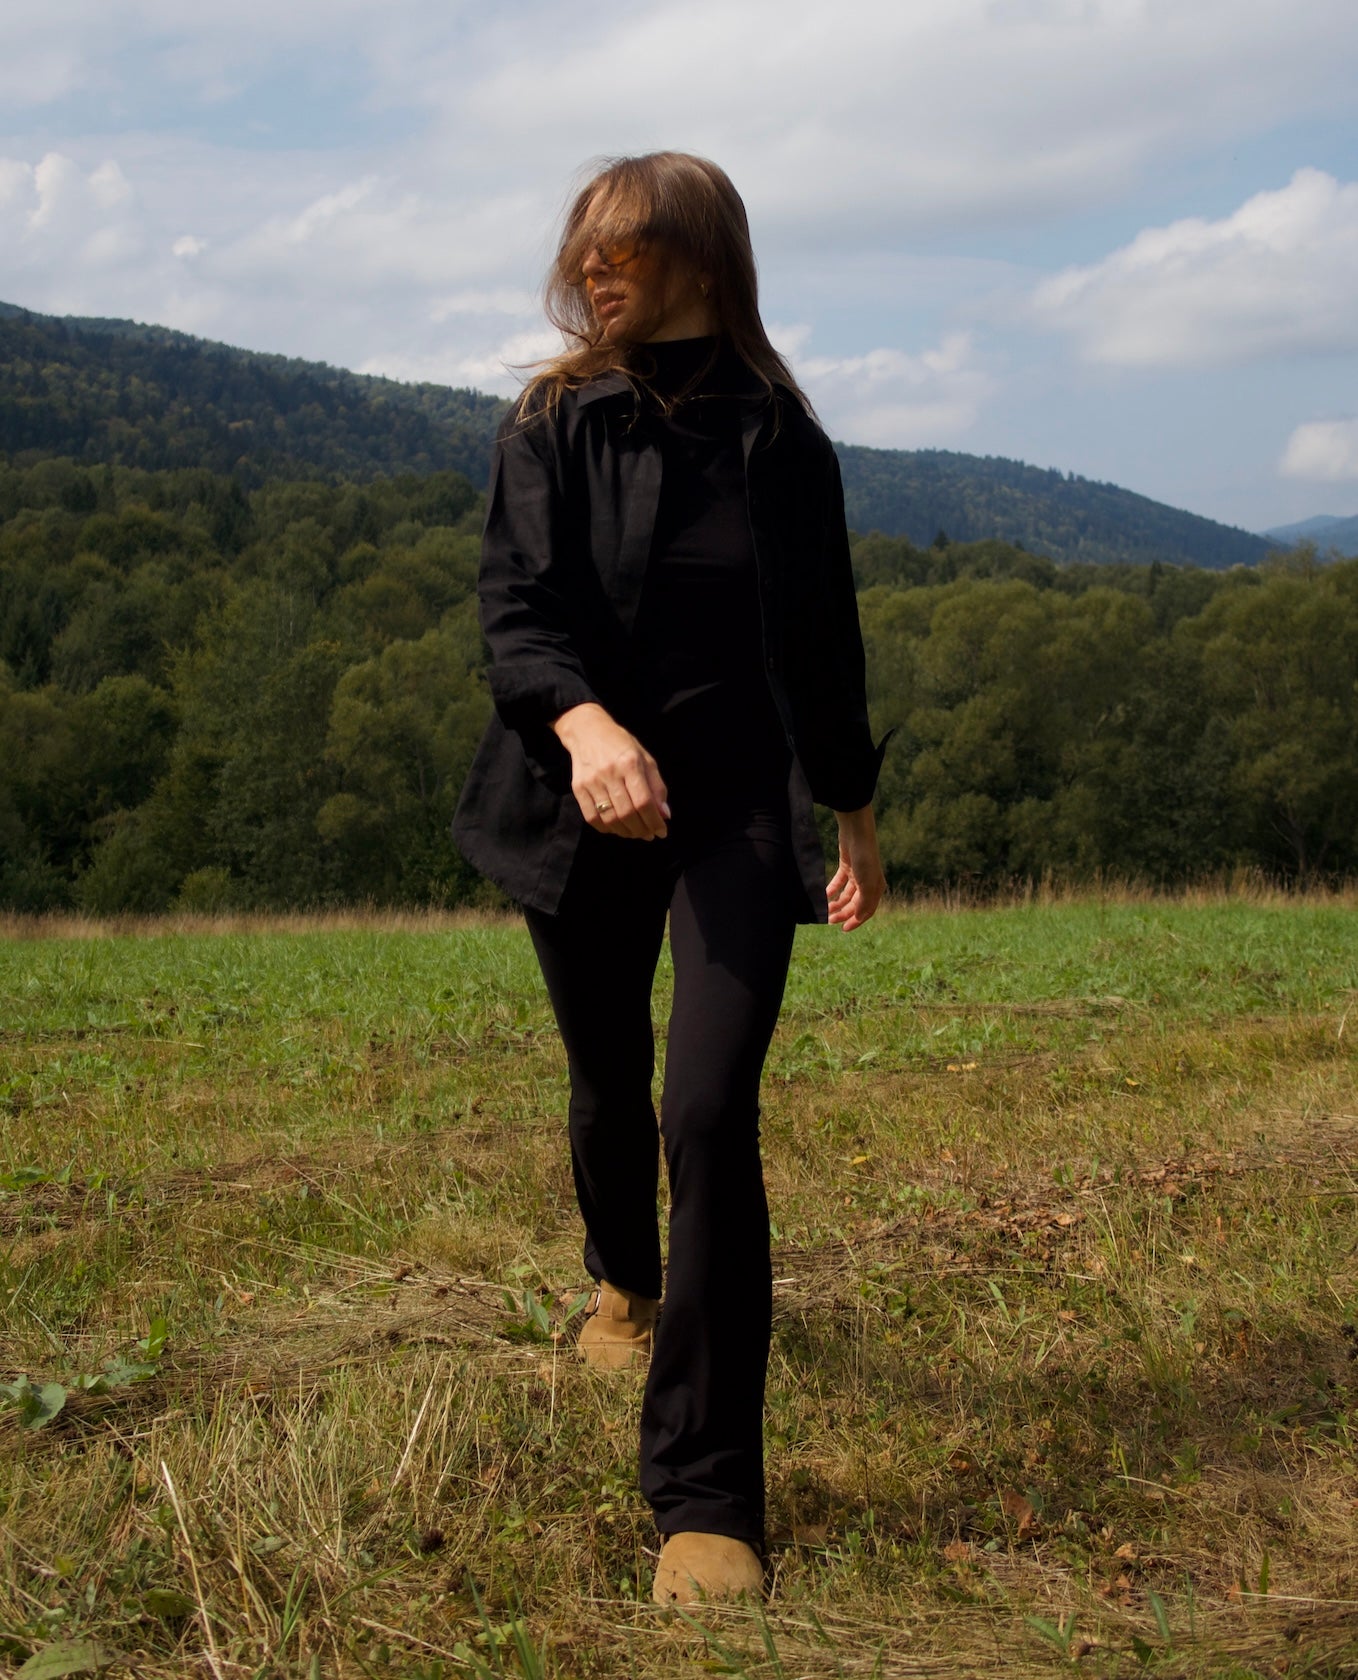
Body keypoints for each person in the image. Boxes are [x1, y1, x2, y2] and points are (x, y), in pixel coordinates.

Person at [452, 151, 888, 1605]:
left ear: (701, 258)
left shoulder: (783, 439)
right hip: (572, 804)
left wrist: (854, 813)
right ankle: (624, 1282)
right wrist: (584, 727)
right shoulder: (551, 421)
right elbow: (514, 610)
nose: (594, 268)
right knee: (605, 1080)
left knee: (705, 1109)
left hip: (733, 816)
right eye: (584, 247)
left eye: (624, 247)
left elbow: (823, 645)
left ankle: (706, 1497)